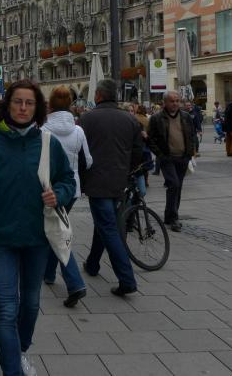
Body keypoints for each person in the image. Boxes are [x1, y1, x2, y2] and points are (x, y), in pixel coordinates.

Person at [0, 80, 75, 376]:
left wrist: (59, 194)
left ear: (37, 108)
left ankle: (20, 350)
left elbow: (68, 180)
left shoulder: (48, 143)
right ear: (7, 105)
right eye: (17, 102)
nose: (23, 108)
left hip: (37, 237)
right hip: (0, 239)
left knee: (30, 304)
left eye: (29, 103)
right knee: (7, 309)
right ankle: (13, 370)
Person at [79, 79, 142, 296]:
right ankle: (92, 263)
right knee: (105, 222)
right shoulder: (130, 119)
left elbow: (80, 153)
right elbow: (138, 152)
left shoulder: (86, 119)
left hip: (96, 182)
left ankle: (127, 279)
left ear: (98, 95)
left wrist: (82, 178)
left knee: (108, 228)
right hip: (119, 181)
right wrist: (127, 170)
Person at [41, 86, 91, 308]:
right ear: (70, 104)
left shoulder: (43, 129)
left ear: (50, 104)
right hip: (72, 189)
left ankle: (75, 283)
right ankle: (49, 273)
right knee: (56, 229)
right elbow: (88, 160)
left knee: (56, 232)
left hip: (48, 190)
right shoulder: (78, 130)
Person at [147, 91, 196, 232]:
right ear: (165, 102)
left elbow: (191, 135)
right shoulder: (157, 118)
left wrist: (189, 153)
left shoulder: (185, 116)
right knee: (173, 184)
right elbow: (150, 139)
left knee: (177, 187)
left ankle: (170, 216)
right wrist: (160, 155)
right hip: (167, 158)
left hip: (182, 157)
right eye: (172, 101)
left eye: (177, 101)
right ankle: (174, 218)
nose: (175, 103)